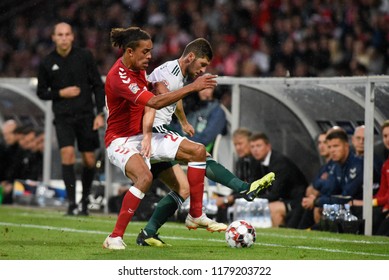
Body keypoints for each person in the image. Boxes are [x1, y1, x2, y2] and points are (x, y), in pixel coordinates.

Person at [137, 39, 274, 246]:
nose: (202, 71)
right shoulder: (167, 72)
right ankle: (237, 191)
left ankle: (148, 233)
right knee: (199, 152)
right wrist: (194, 88)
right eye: (201, 65)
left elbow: (176, 98)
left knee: (184, 189)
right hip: (152, 133)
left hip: (159, 132)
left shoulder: (179, 74)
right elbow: (162, 96)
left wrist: (183, 122)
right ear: (190, 57)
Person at [102, 27, 223, 250]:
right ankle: (114, 237)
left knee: (197, 151)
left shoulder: (138, 69)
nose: (150, 56)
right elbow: (155, 103)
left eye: (151, 51)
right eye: (145, 51)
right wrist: (193, 88)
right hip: (120, 140)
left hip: (143, 135)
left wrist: (155, 86)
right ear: (130, 52)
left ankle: (196, 213)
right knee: (145, 178)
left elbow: (155, 91)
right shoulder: (118, 76)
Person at [36, 22, 106, 216]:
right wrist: (61, 93)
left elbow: (98, 86)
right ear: (53, 37)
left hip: (86, 116)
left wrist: (100, 113)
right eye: (60, 34)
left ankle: (84, 202)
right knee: (66, 154)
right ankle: (71, 203)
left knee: (89, 160)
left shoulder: (84, 57)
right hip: (63, 117)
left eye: (67, 34)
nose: (64, 38)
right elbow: (41, 92)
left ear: (73, 37)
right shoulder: (47, 62)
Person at [248, 132, 308, 227]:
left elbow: (275, 194)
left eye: (258, 146)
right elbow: (253, 186)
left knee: (272, 208)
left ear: (268, 146)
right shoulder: (255, 162)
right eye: (252, 147)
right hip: (280, 198)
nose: (255, 150)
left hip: (296, 200)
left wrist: (254, 199)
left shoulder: (280, 163)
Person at [375, 120, 389, 236]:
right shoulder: (386, 165)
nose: (388, 139)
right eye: (385, 136)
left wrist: (374, 202)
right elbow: (382, 192)